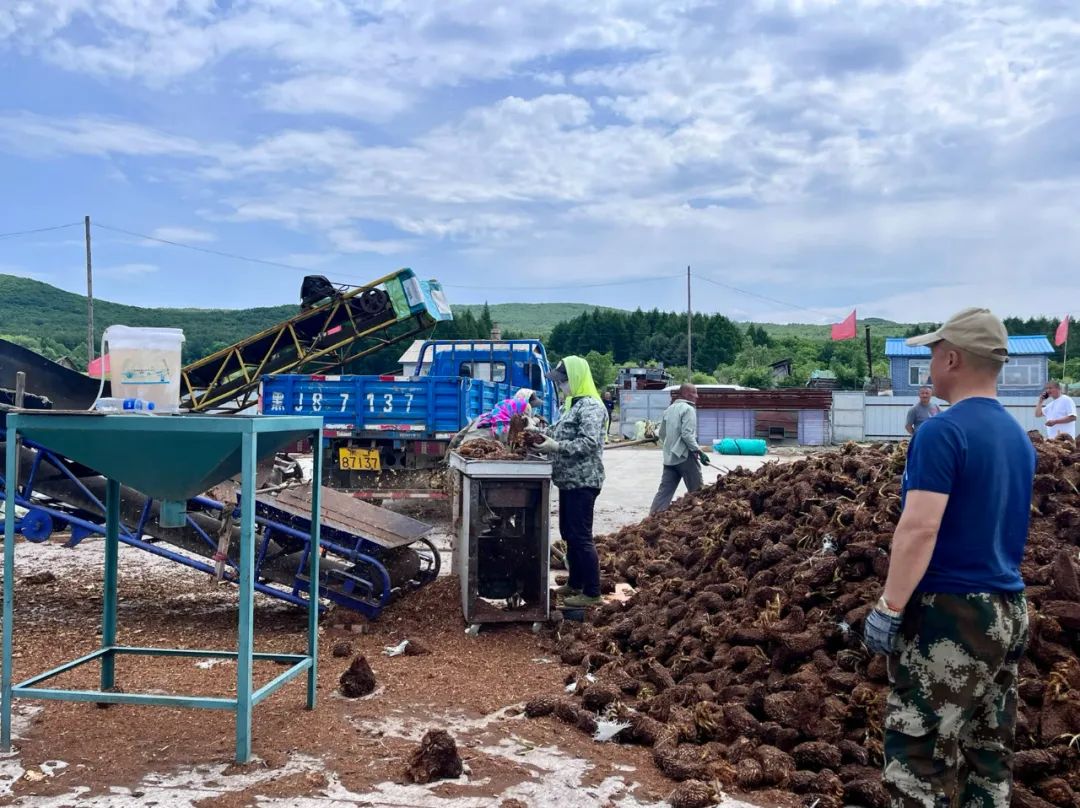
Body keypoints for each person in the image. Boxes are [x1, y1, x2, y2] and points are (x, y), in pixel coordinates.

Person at [863, 308, 1034, 808]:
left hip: (951, 613)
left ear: (953, 358)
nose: (930, 362)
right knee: (988, 751)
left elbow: (920, 527)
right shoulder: (1017, 437)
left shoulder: (941, 432)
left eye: (933, 353)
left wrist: (890, 607)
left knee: (919, 754)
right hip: (1007, 608)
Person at [532, 357, 607, 609]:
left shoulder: (592, 407)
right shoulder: (572, 406)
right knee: (569, 535)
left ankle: (592, 592)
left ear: (575, 378)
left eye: (564, 381)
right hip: (567, 481)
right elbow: (557, 432)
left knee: (581, 537)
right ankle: (575, 583)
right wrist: (540, 434)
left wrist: (556, 446)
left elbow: (589, 443)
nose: (561, 386)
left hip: (583, 481)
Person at [649, 384, 707, 514]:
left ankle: (653, 517)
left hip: (670, 458)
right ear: (686, 394)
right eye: (694, 393)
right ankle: (701, 519)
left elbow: (662, 434)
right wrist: (698, 451)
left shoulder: (669, 409)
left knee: (664, 491)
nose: (697, 396)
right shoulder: (688, 409)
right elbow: (687, 434)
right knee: (697, 491)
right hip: (684, 456)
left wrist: (670, 447)